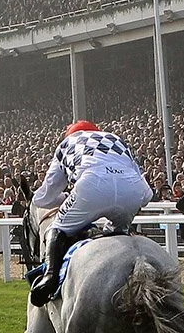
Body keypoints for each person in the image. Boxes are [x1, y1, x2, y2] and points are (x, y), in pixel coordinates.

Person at [29, 120, 154, 306]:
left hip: (92, 186)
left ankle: (49, 279)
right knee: (115, 231)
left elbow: (45, 198)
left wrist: (66, 197)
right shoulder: (115, 139)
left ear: (69, 135)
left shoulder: (66, 144)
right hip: (134, 191)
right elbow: (140, 183)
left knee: (56, 229)